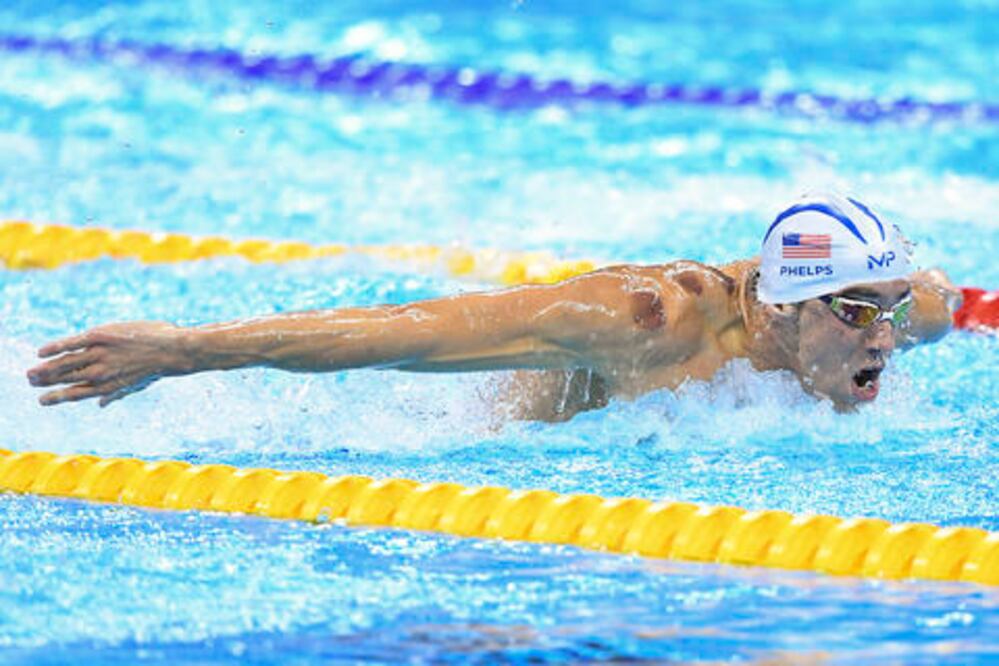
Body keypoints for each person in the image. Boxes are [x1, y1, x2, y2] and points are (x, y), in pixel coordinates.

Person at [26, 192, 960, 420]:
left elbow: (965, 304)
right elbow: (402, 332)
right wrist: (186, 349)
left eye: (888, 310)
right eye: (855, 314)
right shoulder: (647, 322)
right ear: (783, 309)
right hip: (518, 455)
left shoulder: (896, 314)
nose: (887, 335)